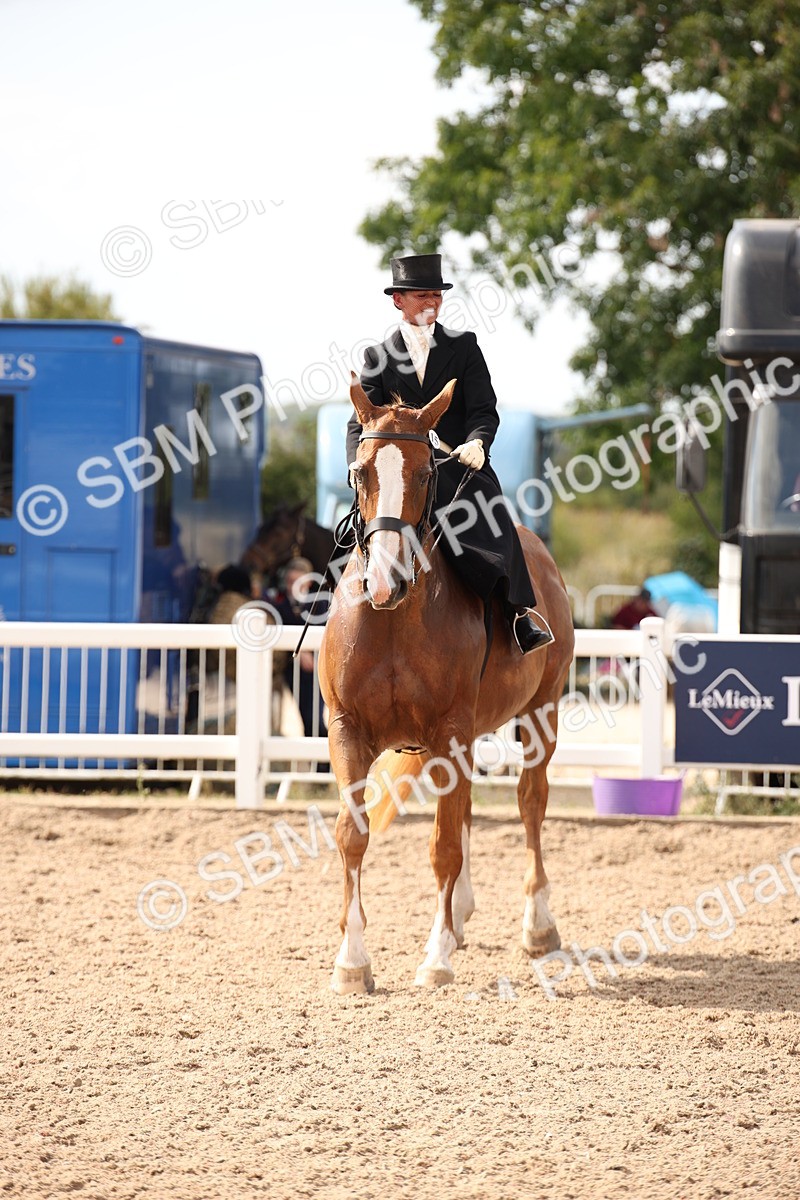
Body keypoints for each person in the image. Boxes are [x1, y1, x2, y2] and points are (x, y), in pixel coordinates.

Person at [346, 252, 553, 654]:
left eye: (437, 296)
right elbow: (361, 420)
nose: (431, 302)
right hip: (399, 474)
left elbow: (483, 410)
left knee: (496, 519)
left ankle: (518, 614)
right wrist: (358, 460)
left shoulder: (465, 348)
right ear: (398, 301)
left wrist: (478, 441)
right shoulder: (377, 357)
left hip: (457, 465)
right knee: (360, 528)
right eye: (422, 295)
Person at [270, 556, 328, 742]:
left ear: (308, 582)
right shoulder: (276, 602)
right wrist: (300, 650)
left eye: (297, 582)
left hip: (315, 667)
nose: (291, 586)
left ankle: (321, 762)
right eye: (289, 581)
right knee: (302, 716)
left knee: (314, 717)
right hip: (289, 666)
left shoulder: (320, 602)